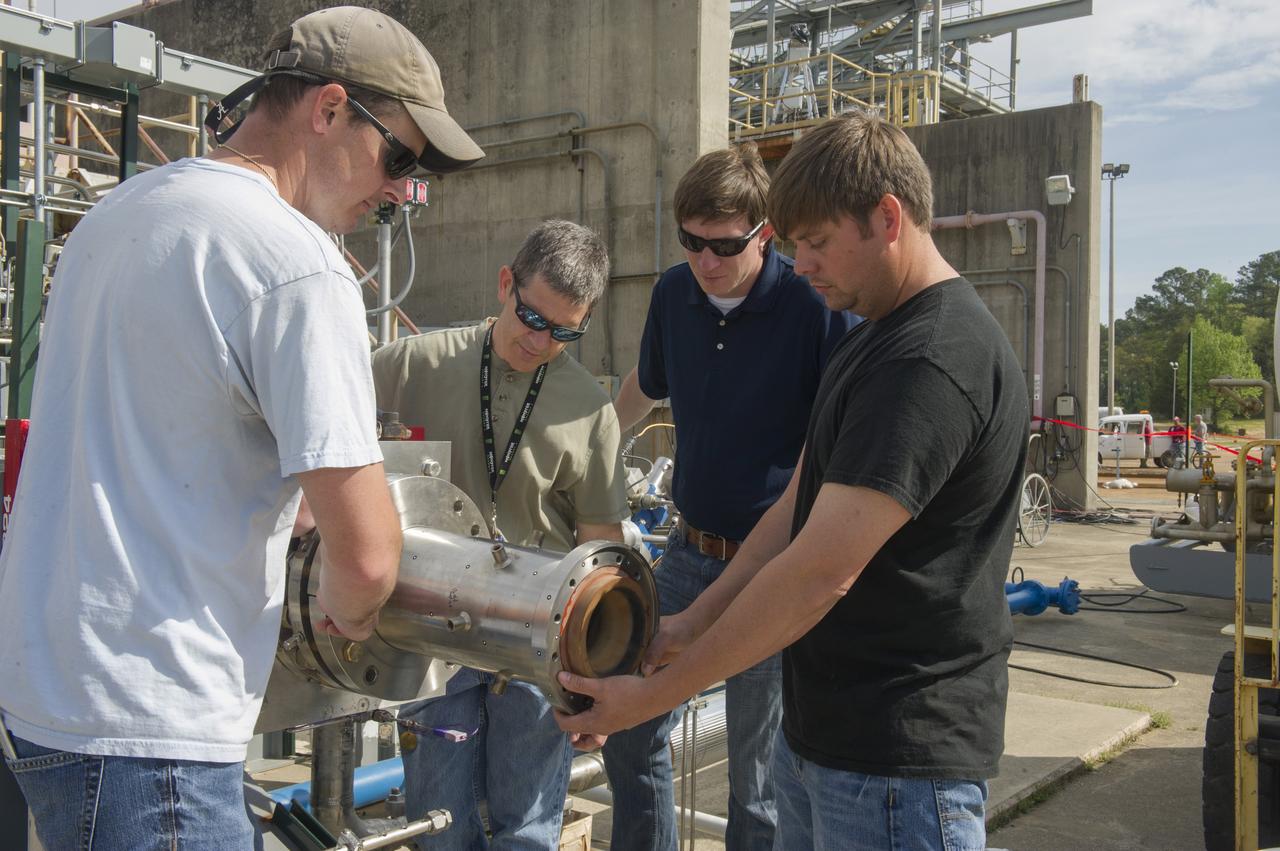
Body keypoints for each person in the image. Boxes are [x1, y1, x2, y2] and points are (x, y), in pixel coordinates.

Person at [0, 7, 483, 849]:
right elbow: (366, 558)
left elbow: (161, 441)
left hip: (49, 698)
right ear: (328, 109)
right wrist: (347, 608)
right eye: (399, 155)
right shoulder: (296, 263)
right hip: (156, 730)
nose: (401, 190)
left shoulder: (120, 215)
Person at [557, 112, 1028, 851]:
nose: (803, 264)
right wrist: (692, 621)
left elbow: (816, 572)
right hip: (826, 735)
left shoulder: (929, 361)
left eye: (816, 242)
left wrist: (650, 696)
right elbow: (795, 508)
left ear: (888, 218)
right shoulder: (872, 334)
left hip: (897, 757)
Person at [604, 144, 859, 851]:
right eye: (691, 242)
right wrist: (588, 448)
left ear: (764, 235)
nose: (706, 260)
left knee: (758, 772)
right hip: (690, 550)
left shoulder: (813, 305)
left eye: (723, 245)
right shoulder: (672, 295)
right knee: (626, 717)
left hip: (775, 565)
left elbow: (841, 435)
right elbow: (643, 386)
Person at [371, 220, 630, 850]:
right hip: (435, 634)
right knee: (438, 824)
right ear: (505, 283)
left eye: (565, 331)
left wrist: (598, 680)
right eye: (532, 318)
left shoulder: (590, 409)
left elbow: (601, 552)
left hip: (537, 643)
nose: (541, 341)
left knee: (529, 830)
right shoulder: (408, 366)